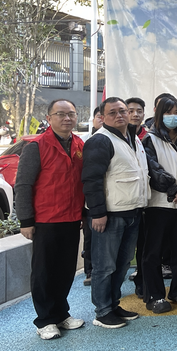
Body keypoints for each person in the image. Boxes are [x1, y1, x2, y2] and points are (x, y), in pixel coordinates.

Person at [15, 99, 88, 339]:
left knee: (66, 269)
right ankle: (45, 320)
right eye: (61, 114)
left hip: (71, 217)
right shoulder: (36, 147)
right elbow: (23, 185)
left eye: (71, 114)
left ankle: (61, 313)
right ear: (49, 118)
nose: (67, 118)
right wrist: (26, 220)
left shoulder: (79, 144)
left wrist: (82, 212)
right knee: (44, 271)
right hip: (45, 219)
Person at [82, 97, 150, 329]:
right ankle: (102, 311)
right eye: (113, 112)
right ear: (102, 117)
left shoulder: (132, 137)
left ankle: (113, 304)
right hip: (110, 215)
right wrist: (98, 213)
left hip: (132, 211)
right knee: (105, 266)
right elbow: (91, 180)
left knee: (122, 264)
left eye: (123, 111)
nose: (120, 115)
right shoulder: (100, 141)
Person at [141, 97, 177, 314]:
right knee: (153, 252)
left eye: (176, 112)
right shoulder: (150, 139)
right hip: (158, 204)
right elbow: (152, 168)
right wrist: (174, 189)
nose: (172, 117)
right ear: (159, 115)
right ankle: (154, 295)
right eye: (168, 112)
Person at [123, 97, 148, 295]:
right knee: (119, 254)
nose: (135, 114)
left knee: (144, 247)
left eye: (139, 111)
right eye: (130, 111)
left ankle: (142, 283)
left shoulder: (145, 138)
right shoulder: (112, 138)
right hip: (120, 205)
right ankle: (107, 303)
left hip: (143, 203)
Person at [79, 105, 102, 286]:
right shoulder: (84, 141)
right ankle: (90, 270)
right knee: (90, 238)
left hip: (109, 201)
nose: (102, 120)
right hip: (88, 200)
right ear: (93, 119)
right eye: (99, 116)